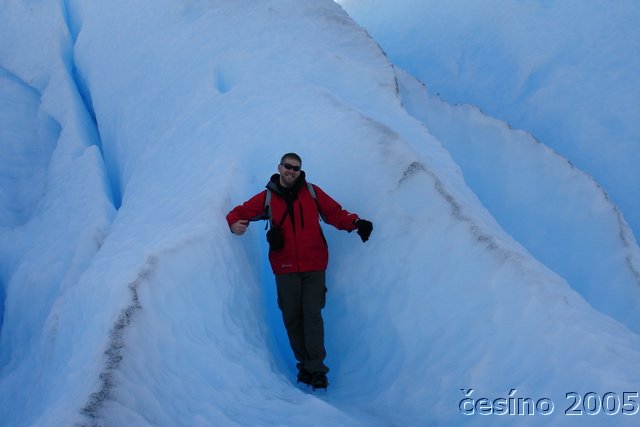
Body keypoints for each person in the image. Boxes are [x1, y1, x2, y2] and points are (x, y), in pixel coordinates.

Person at [226, 153, 373, 389]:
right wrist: (234, 224)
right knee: (292, 318)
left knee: (312, 316)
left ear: (300, 170)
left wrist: (356, 224)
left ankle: (317, 370)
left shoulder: (312, 192)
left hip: (314, 265)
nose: (291, 171)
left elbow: (334, 213)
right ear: (279, 167)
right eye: (288, 167)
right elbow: (240, 212)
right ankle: (304, 365)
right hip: (284, 268)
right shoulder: (267, 197)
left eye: (296, 168)